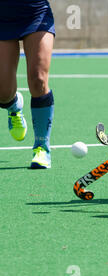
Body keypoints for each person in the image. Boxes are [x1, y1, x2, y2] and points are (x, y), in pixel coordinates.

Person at [0, 0, 56, 169]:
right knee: (3, 93)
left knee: (38, 79)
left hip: (36, 12)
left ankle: (42, 147)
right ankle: (14, 106)